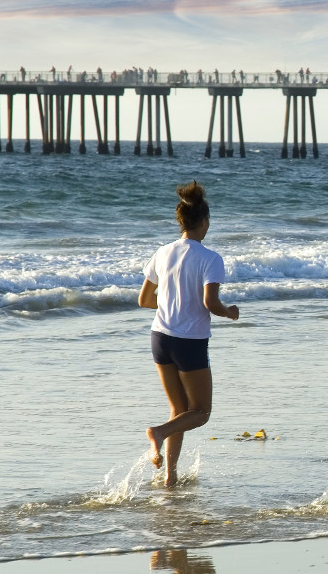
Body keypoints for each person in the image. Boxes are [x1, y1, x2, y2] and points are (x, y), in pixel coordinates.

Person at [139, 181, 239, 487]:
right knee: (201, 412)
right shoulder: (211, 258)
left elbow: (144, 300)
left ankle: (170, 476)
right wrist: (229, 312)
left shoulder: (163, 252)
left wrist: (172, 303)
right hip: (189, 341)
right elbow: (210, 302)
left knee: (178, 409)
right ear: (205, 222)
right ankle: (158, 432)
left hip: (159, 337)